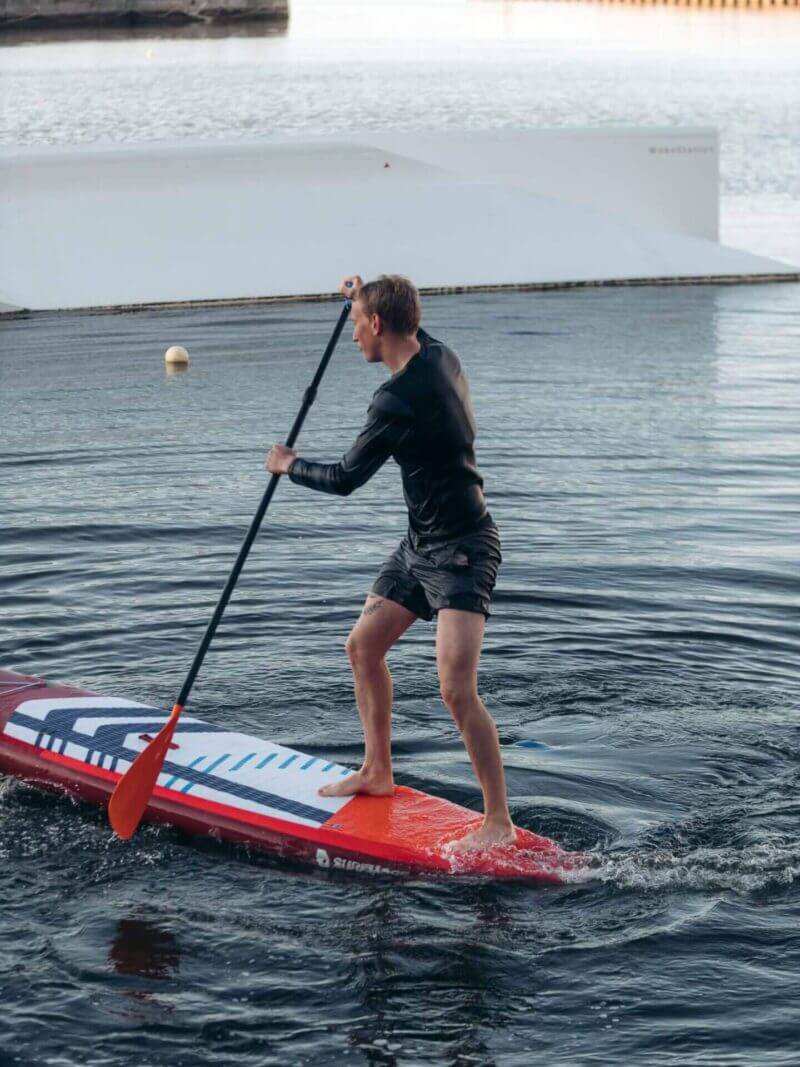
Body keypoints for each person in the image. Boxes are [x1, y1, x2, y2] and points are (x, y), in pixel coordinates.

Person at [265, 274, 514, 852]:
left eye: (356, 322)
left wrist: (287, 464)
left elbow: (345, 479)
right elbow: (401, 314)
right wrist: (363, 289)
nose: (352, 334)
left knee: (456, 689)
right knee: (363, 647)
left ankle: (497, 820)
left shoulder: (396, 400)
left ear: (378, 325)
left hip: (463, 551)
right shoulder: (438, 352)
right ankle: (378, 771)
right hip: (419, 545)